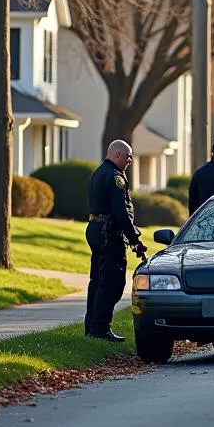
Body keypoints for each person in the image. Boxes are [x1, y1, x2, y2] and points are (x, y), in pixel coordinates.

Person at [85, 139, 146, 341]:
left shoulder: (98, 172)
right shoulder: (114, 177)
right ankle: (100, 328)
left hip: (96, 230)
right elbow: (121, 212)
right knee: (111, 281)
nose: (130, 160)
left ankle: (92, 327)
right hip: (108, 233)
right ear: (117, 154)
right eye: (128, 156)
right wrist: (134, 238)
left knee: (97, 280)